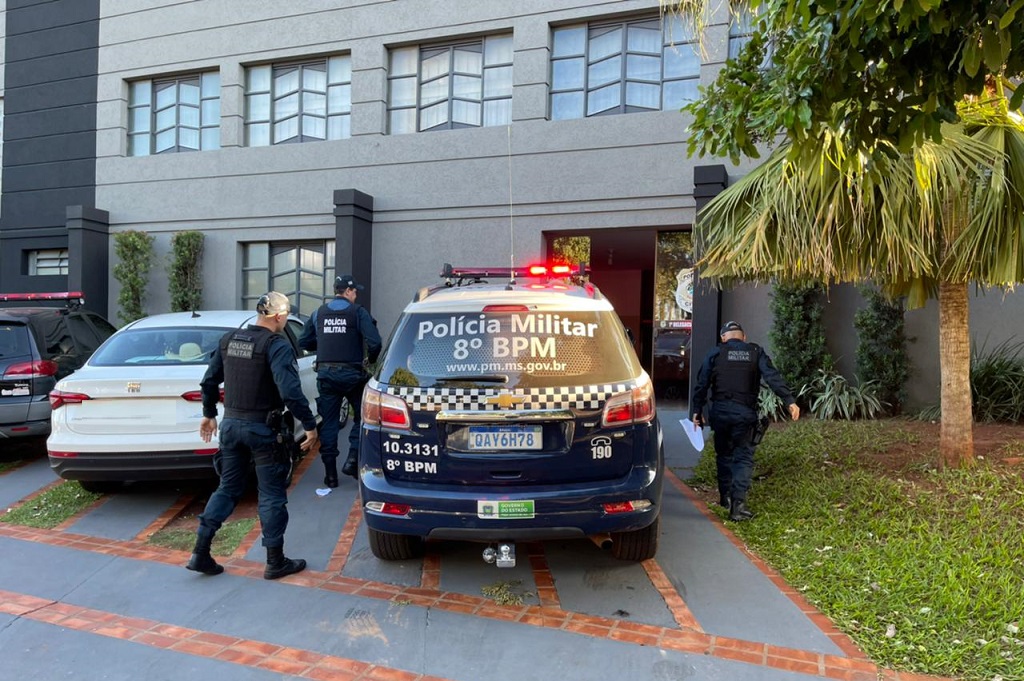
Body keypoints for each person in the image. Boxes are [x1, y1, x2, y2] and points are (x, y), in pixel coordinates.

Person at [186, 291, 319, 579]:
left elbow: (208, 381)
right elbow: (290, 392)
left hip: (232, 427)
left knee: (228, 488)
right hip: (264, 430)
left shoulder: (229, 340)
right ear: (280, 317)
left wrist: (209, 414)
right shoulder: (277, 345)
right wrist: (309, 424)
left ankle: (200, 552)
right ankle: (275, 561)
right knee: (271, 495)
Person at [690, 320, 800, 521]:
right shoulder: (755, 352)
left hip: (720, 413)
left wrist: (697, 410)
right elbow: (771, 376)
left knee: (723, 455)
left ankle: (725, 498)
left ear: (723, 338)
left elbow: (702, 383)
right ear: (744, 337)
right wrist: (789, 400)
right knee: (743, 458)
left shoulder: (715, 353)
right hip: (744, 414)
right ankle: (738, 505)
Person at [299, 274, 382, 487]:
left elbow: (304, 341)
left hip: (326, 376)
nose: (356, 295)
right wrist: (369, 360)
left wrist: (326, 344)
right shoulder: (358, 312)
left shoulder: (319, 313)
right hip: (353, 375)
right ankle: (353, 458)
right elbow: (375, 343)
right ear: (347, 291)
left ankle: (330, 476)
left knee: (329, 423)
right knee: (362, 417)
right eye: (355, 292)